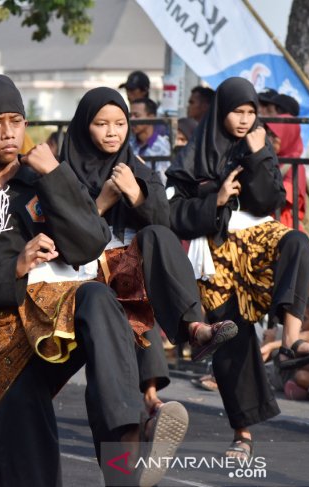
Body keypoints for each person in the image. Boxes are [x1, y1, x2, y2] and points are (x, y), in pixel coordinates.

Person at [0, 74, 188, 487]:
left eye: (17, 120)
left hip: (65, 310)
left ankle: (127, 447)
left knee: (98, 299)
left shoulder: (43, 179)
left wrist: (56, 177)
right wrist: (13, 267)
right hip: (6, 331)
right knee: (23, 452)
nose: (10, 132)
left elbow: (90, 243)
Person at [166, 77, 309, 461]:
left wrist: (258, 155)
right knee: (231, 339)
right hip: (216, 249)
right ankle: (242, 435)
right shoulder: (194, 154)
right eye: (237, 112)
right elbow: (173, 213)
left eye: (250, 112)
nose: (243, 120)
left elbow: (270, 199)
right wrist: (216, 199)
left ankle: (290, 339)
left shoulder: (259, 143)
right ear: (221, 111)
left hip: (257, 240)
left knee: (296, 242)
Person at [62, 86, 236, 425]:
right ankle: (145, 406)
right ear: (85, 126)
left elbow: (163, 223)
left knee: (155, 240)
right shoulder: (63, 171)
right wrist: (105, 200)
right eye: (101, 123)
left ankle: (193, 328)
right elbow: (66, 233)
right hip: (84, 273)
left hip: (130, 270)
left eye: (120, 123)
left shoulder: (134, 167)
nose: (112, 132)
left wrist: (135, 194)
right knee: (126, 318)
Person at [266, 101, 305, 231]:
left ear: (288, 136)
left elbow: (284, 196)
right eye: (269, 134)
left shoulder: (295, 166)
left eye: (274, 136)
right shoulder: (271, 159)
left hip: (284, 227)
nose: (269, 140)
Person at [129, 97, 170, 182]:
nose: (131, 119)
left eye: (136, 115)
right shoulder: (128, 143)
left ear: (151, 117)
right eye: (130, 115)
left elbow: (163, 180)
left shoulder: (162, 145)